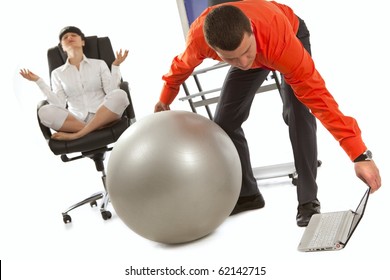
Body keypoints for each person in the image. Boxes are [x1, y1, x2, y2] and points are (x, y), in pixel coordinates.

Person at [154, 0, 382, 226]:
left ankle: (308, 201)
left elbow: (320, 98)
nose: (242, 63)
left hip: (289, 33)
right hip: (261, 49)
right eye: (230, 58)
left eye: (245, 52)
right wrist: (164, 101)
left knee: (298, 114)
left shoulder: (280, 43)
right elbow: (179, 68)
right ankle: (247, 195)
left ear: (251, 31)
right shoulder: (199, 40)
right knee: (224, 122)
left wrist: (360, 155)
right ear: (212, 50)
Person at [20, 26, 130, 141]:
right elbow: (60, 104)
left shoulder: (99, 64)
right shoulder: (57, 73)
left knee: (120, 94)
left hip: (104, 114)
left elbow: (111, 92)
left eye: (74, 35)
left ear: (82, 42)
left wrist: (116, 66)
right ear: (62, 47)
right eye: (65, 37)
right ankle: (96, 127)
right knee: (43, 111)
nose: (69, 37)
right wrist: (39, 81)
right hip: (77, 120)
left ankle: (78, 134)